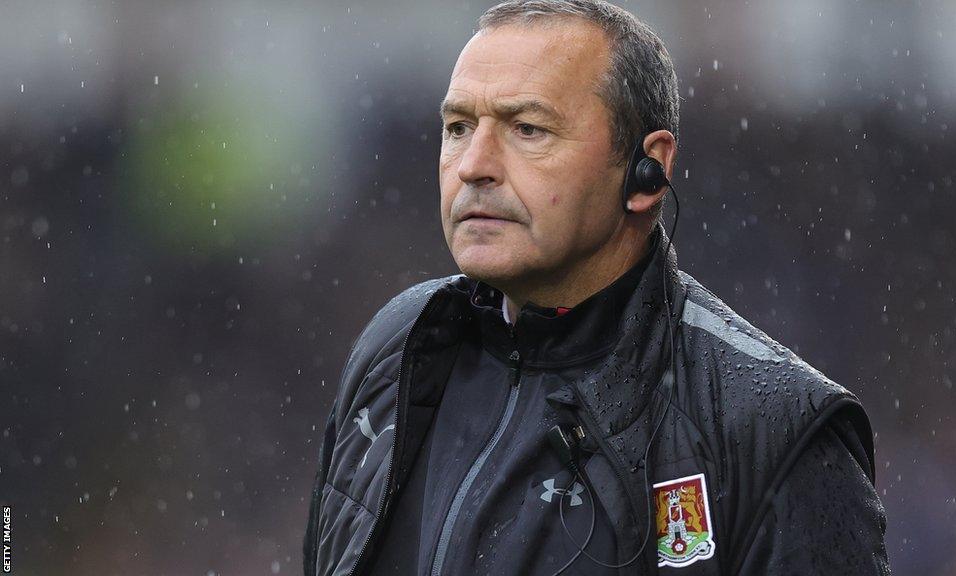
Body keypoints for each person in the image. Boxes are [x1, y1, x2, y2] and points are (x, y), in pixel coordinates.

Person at [303, 1, 891, 574]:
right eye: (457, 127)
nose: (472, 165)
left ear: (645, 171)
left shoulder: (771, 428)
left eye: (527, 128)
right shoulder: (397, 350)